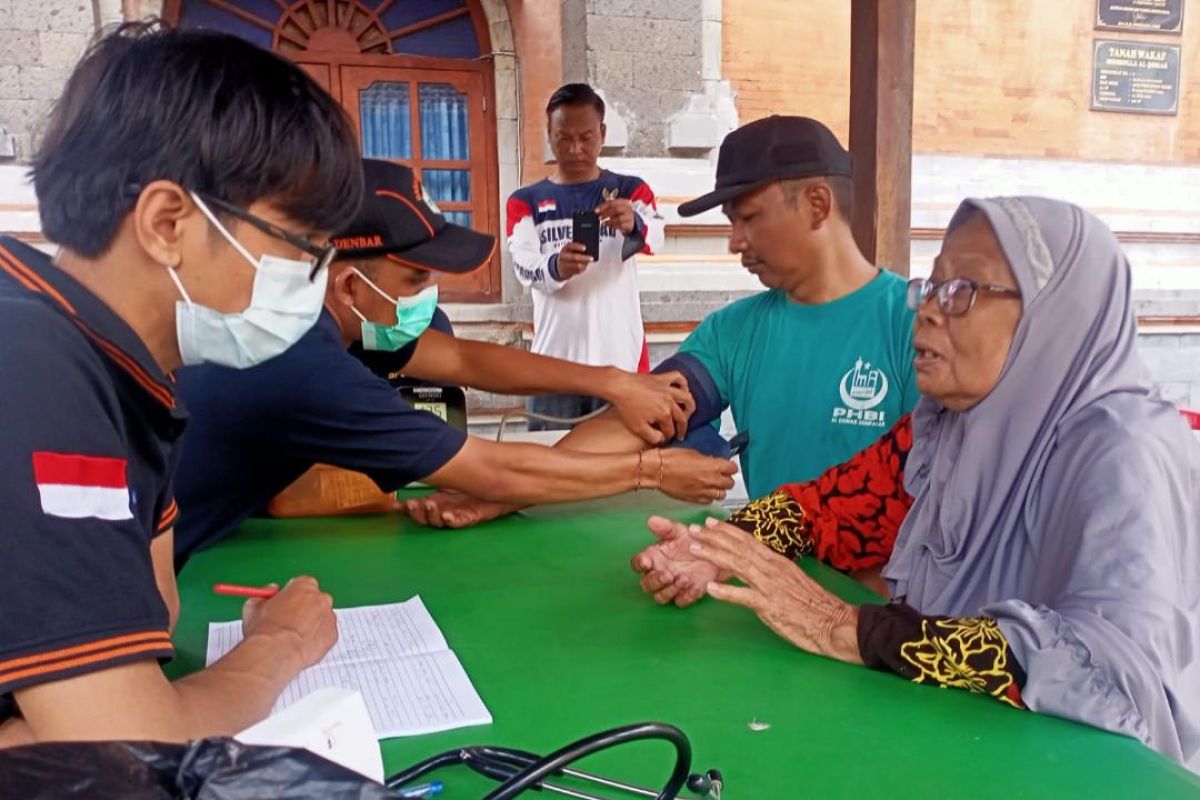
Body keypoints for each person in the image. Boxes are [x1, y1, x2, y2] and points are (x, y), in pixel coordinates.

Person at [631, 197, 1200, 770]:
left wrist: (853, 628)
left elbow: (1114, 674)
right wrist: (715, 550)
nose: (927, 311)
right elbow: (829, 506)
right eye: (932, 288)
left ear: (1055, 314)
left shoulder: (1125, 450)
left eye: (962, 293)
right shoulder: (948, 424)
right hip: (955, 748)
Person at [0, 23, 360, 745]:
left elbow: (154, 613)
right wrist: (279, 647)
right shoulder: (32, 367)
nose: (314, 287)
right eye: (302, 252)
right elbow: (125, 749)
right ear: (168, 223)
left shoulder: (129, 370)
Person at [172, 158, 737, 565]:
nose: (429, 294)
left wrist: (613, 382)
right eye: (416, 278)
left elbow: (464, 359)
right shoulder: (302, 364)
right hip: (151, 562)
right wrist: (656, 471)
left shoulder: (318, 318)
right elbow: (493, 470)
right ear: (348, 284)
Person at [408, 115, 918, 529]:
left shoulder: (917, 327)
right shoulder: (733, 330)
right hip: (768, 575)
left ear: (816, 205)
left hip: (884, 603)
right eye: (730, 223)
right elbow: (639, 418)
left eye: (749, 218)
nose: (735, 241)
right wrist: (509, 492)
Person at [506, 83, 665, 430]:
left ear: (602, 133)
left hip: (621, 362)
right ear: (549, 134)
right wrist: (556, 266)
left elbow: (658, 236)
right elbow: (522, 264)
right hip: (553, 367)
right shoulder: (526, 201)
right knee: (552, 469)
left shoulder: (629, 189)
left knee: (623, 470)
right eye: (564, 137)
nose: (575, 149)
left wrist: (633, 222)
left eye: (587, 137)